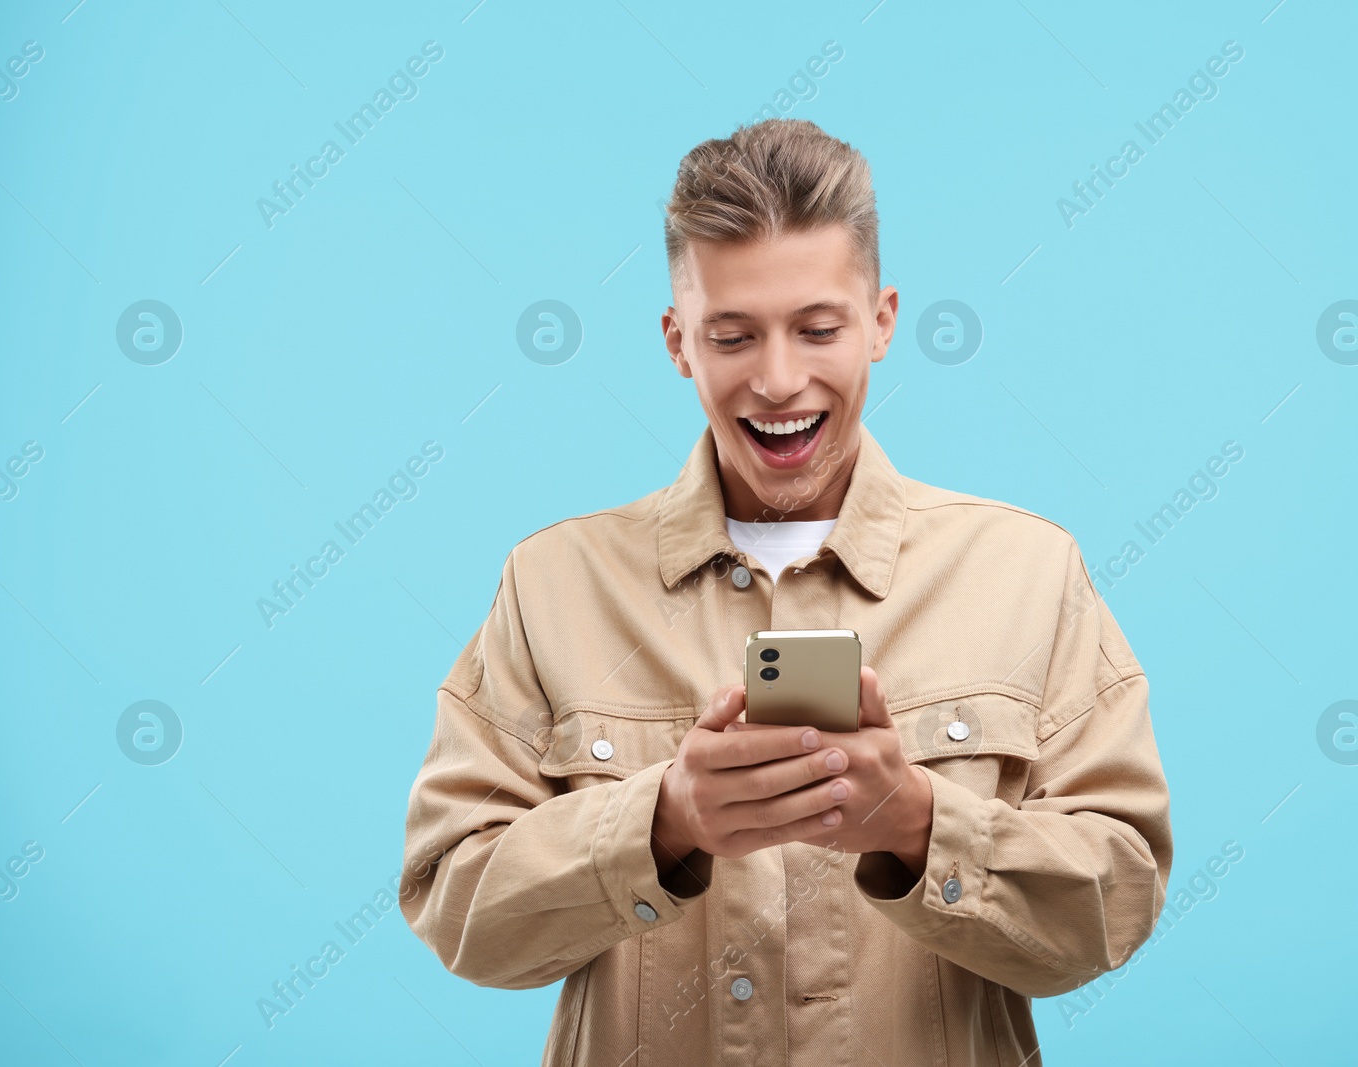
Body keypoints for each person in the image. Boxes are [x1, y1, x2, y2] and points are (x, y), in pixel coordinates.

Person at [400, 117, 1173, 1066]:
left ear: (882, 321)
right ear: (678, 341)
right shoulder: (552, 582)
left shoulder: (1029, 571)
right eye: (733, 335)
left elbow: (1118, 901)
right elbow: (453, 903)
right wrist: (662, 821)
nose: (778, 379)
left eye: (818, 328)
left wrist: (921, 826)